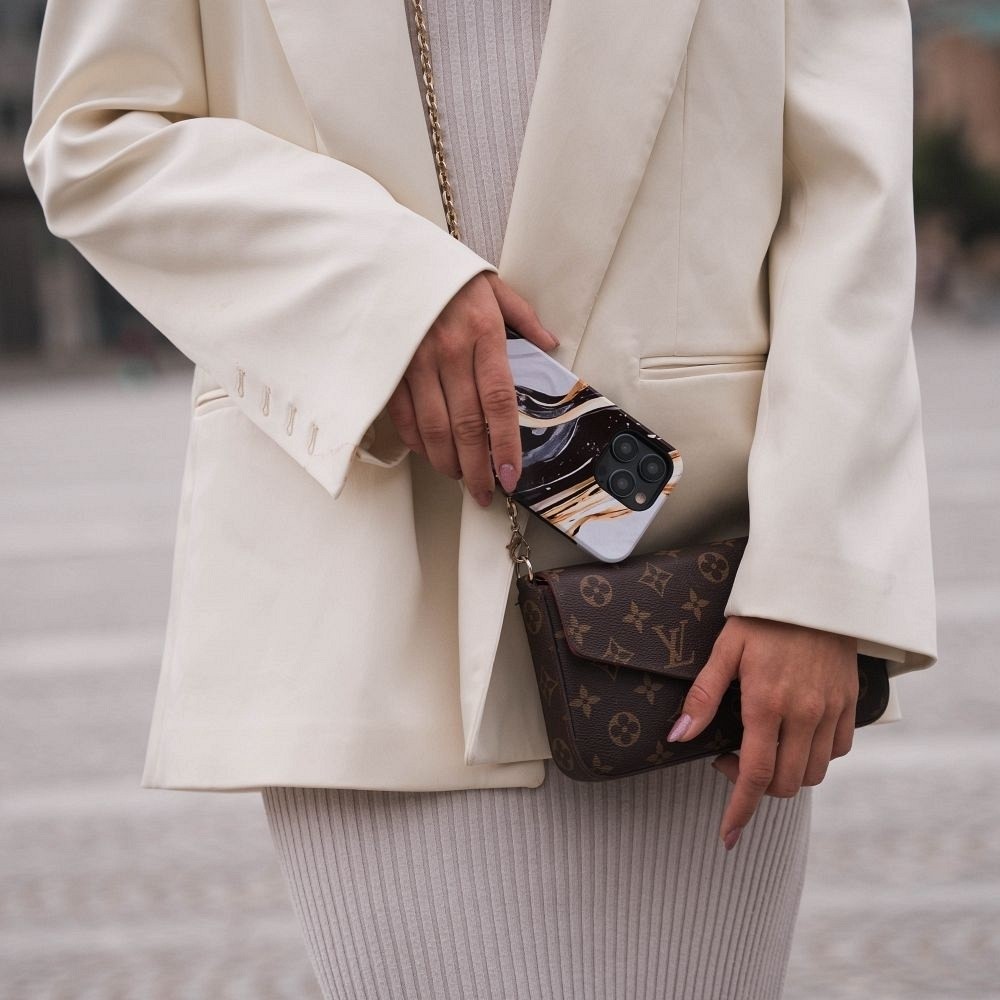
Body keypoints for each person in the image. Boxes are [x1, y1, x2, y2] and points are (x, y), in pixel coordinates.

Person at [24, 0, 938, 996]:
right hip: (366, 582)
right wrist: (384, 293)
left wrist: (815, 579)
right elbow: (96, 131)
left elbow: (849, 194)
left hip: (689, 598)